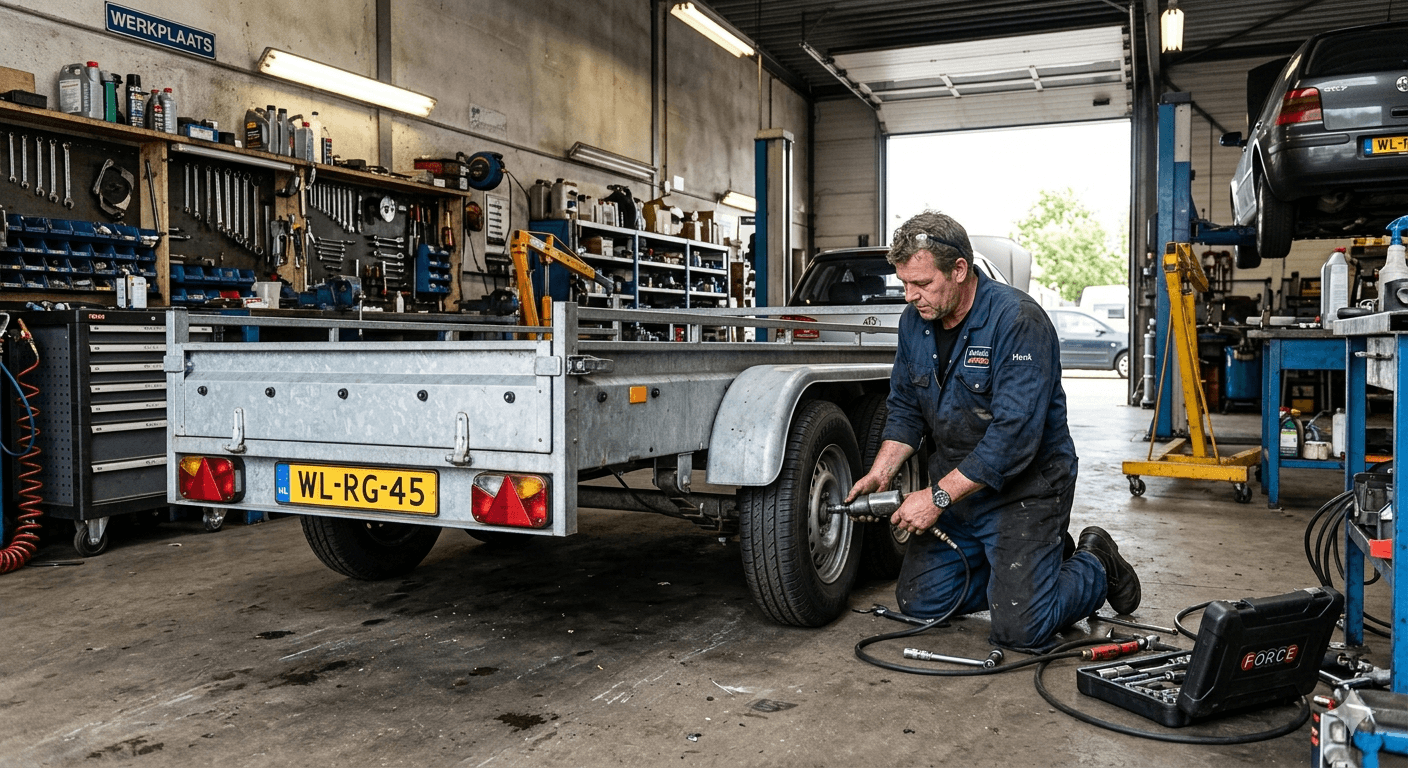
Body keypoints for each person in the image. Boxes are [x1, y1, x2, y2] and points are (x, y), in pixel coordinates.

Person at [845, 211, 1140, 652]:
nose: (910, 296)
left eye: (922, 284)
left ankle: (1095, 561)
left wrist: (936, 497)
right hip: (963, 494)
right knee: (919, 601)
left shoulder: (1018, 321)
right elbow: (906, 406)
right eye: (905, 283)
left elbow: (1014, 437)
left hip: (1026, 491)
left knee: (1021, 630)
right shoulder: (914, 324)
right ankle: (1031, 567)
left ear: (959, 270)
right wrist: (882, 471)